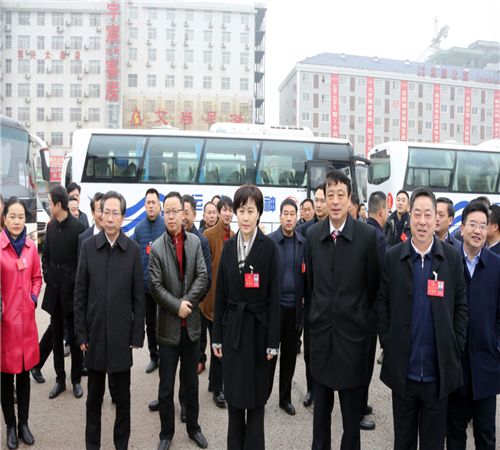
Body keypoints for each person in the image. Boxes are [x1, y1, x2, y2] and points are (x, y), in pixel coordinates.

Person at [377, 187, 468, 450]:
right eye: (417, 214)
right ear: (410, 217)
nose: (423, 221)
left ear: (436, 218)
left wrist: (455, 343)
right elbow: (382, 303)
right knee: (403, 442)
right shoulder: (393, 256)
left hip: (437, 375)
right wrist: (388, 340)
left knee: (433, 443)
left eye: (429, 214)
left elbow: (461, 305)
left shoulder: (451, 257)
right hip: (403, 374)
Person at [306, 170, 380, 449]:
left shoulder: (367, 236)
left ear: (350, 200)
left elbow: (372, 287)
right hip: (321, 340)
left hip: (352, 342)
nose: (335, 201)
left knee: (351, 423)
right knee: (320, 420)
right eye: (330, 195)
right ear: (324, 199)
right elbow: (311, 285)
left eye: (341, 195)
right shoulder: (312, 235)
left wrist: (355, 316)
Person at [75, 191, 145, 450]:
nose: (111, 218)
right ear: (100, 214)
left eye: (116, 213)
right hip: (94, 335)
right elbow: (80, 293)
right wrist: (81, 333)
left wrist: (136, 335)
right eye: (107, 212)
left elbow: (139, 297)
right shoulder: (88, 247)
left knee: (123, 401)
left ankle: (121, 445)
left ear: (123, 217)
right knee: (93, 400)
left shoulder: (133, 250)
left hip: (121, 337)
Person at [212, 184, 280, 450]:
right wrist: (217, 337)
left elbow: (274, 299)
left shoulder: (269, 247)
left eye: (251, 210)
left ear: (259, 213)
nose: (246, 217)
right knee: (235, 403)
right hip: (233, 334)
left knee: (257, 404)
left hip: (259, 334)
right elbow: (220, 296)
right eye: (241, 211)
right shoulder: (229, 247)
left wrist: (273, 343)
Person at [149, 192, 208, 450]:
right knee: (166, 386)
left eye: (176, 211)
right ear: (164, 214)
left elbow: (202, 276)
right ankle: (166, 433)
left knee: (191, 385)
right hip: (168, 329)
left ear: (184, 214)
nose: (172, 216)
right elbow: (155, 287)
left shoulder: (195, 242)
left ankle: (193, 428)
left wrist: (186, 303)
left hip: (192, 327)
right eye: (168, 211)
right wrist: (177, 306)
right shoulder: (157, 247)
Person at [446, 201, 500, 450]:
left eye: (483, 225)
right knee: (455, 431)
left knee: (486, 435)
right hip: (455, 365)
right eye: (473, 224)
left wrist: (495, 345)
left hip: (486, 364)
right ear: (462, 228)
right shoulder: (448, 263)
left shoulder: (497, 265)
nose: (478, 230)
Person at [0, 197, 42, 448]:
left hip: (26, 323)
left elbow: (37, 277)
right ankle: (10, 426)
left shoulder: (31, 247)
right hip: (4, 326)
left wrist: (32, 299)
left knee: (24, 376)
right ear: (4, 218)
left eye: (21, 217)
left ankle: (24, 424)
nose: (17, 221)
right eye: (12, 216)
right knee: (5, 378)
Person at [42, 185, 86, 400]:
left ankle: (76, 380)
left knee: (76, 339)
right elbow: (46, 256)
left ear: (58, 205)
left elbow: (81, 262)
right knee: (57, 338)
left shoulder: (78, 228)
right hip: (54, 292)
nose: (48, 207)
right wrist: (48, 276)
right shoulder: (50, 227)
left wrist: (72, 282)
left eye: (50, 203)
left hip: (71, 293)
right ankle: (60, 380)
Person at [268, 199, 306, 416]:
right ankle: (262, 396)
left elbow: (307, 276)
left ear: (296, 217)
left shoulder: (303, 243)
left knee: (289, 358)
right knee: (270, 356)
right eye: (286, 214)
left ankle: (285, 399)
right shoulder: (270, 242)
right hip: (275, 310)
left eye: (293, 214)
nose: (289, 218)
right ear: (280, 216)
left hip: (295, 311)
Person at [199, 196, 235, 410]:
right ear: (218, 212)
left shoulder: (235, 236)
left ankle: (214, 383)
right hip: (210, 302)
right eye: (225, 210)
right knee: (217, 346)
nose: (228, 213)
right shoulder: (208, 235)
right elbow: (203, 270)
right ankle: (219, 389)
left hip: (227, 303)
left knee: (219, 346)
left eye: (231, 210)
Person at [179, 195, 213, 407]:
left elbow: (206, 279)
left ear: (194, 214)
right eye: (179, 212)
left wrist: (188, 302)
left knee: (188, 362)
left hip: (192, 310)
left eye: (186, 212)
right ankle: (166, 399)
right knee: (168, 362)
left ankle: (185, 403)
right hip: (171, 309)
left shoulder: (201, 241)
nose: (182, 217)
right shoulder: (170, 237)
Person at [296, 184, 328, 408]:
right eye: (316, 200)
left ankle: (326, 386)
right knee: (309, 348)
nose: (318, 204)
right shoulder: (305, 230)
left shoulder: (333, 229)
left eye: (322, 200)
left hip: (329, 299)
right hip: (309, 299)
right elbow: (301, 267)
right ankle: (311, 388)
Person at [360, 191, 388, 431]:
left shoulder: (361, 230)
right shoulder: (377, 236)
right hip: (369, 311)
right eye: (387, 210)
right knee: (365, 363)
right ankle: (359, 409)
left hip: (360, 308)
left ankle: (362, 403)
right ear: (382, 211)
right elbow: (377, 277)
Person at [132, 189, 166, 375]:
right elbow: (135, 260)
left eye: (154, 202)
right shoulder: (139, 229)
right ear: (144, 205)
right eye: (148, 203)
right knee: (150, 324)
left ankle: (167, 355)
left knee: (166, 324)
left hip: (165, 287)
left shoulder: (165, 226)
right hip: (146, 287)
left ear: (159, 205)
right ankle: (154, 357)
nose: (151, 206)